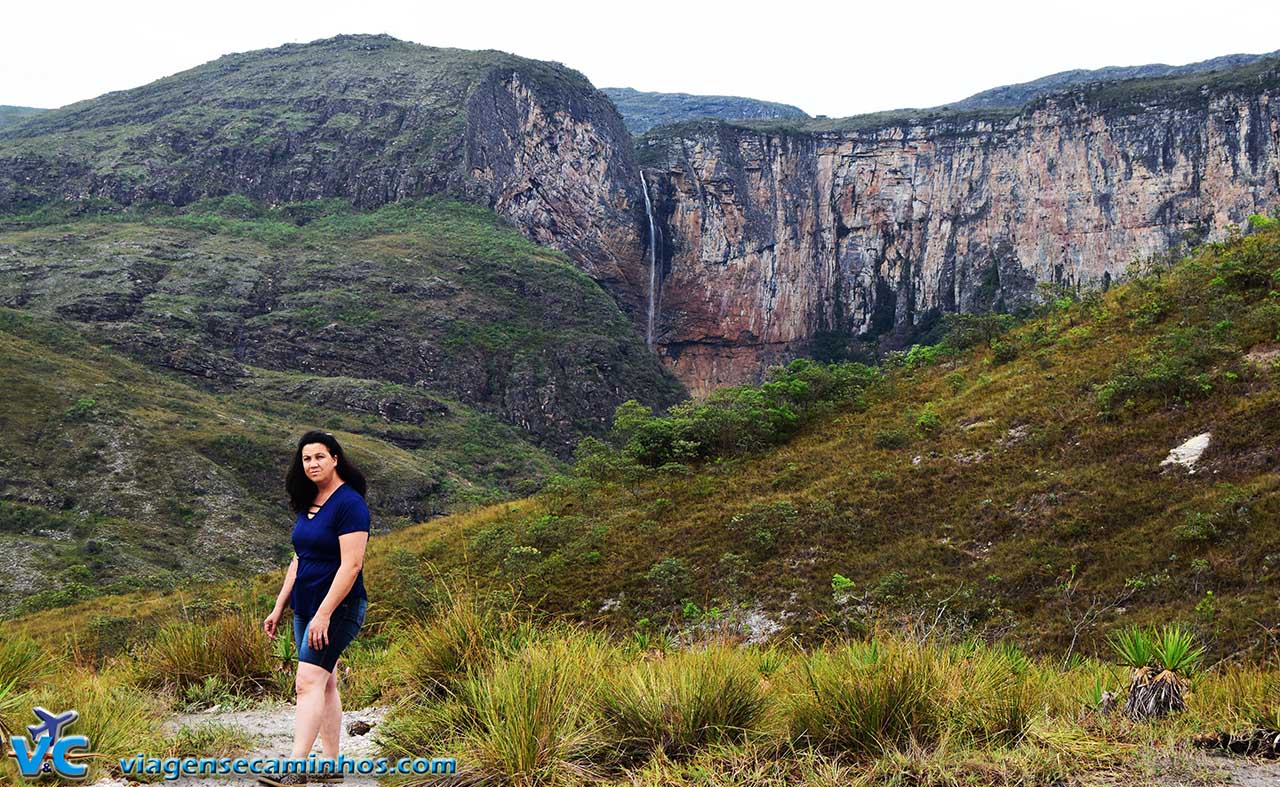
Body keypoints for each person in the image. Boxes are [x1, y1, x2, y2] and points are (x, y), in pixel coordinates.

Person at [260, 430, 371, 786]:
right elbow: (300, 558)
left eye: (319, 457)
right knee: (324, 684)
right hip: (305, 607)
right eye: (306, 459)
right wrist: (280, 605)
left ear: (335, 458)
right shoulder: (311, 502)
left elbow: (351, 566)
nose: (312, 464)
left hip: (338, 608)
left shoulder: (349, 504)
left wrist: (324, 614)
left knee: (307, 682)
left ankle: (294, 769)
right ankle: (331, 764)